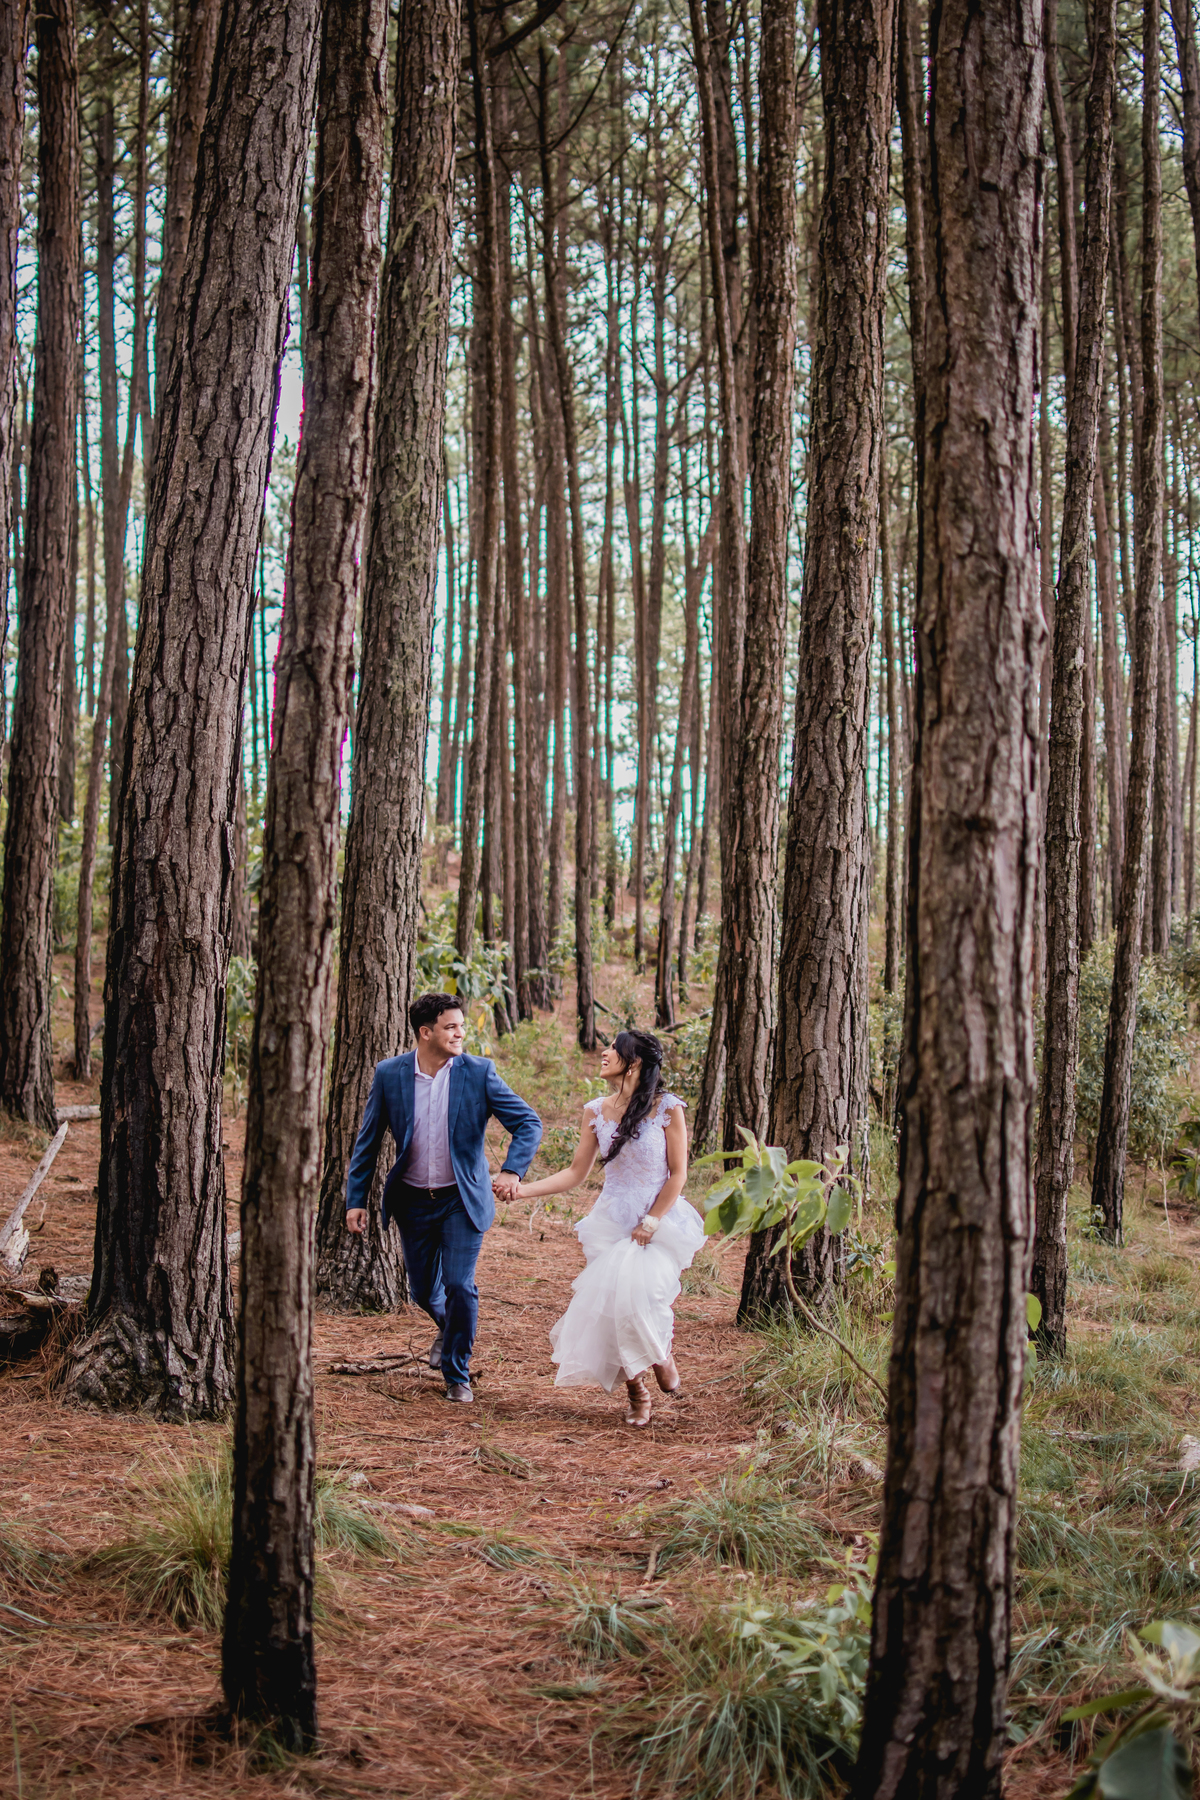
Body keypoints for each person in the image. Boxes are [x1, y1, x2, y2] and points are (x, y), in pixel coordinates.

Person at [345, 991, 542, 1403]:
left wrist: (511, 1169)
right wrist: (355, 1199)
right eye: (451, 1027)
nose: (460, 1033)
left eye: (461, 1025)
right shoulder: (390, 1074)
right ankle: (450, 1329)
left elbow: (527, 1122)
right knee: (422, 1291)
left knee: (459, 1284)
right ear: (425, 1032)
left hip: (461, 1200)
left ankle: (457, 1374)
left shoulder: (479, 1072)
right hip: (413, 1202)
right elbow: (367, 1142)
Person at [514, 1028, 703, 1427]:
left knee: (644, 1297)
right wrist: (523, 1191)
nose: (604, 1052)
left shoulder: (667, 1107)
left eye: (613, 1049)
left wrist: (651, 1222)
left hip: (659, 1217)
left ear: (633, 1062)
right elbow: (574, 1173)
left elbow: (678, 1174)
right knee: (613, 1307)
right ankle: (638, 1392)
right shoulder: (595, 1111)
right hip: (611, 1221)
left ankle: (660, 1352)